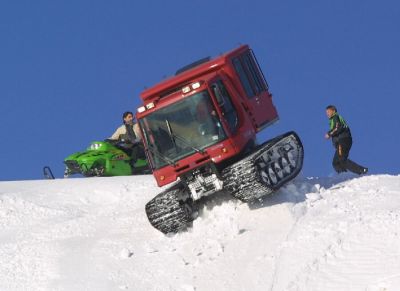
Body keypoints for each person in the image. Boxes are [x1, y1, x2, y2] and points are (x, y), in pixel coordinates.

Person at [324, 105, 368, 175]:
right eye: (326, 112)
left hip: (343, 140)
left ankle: (362, 170)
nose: (327, 114)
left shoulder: (335, 117)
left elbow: (338, 127)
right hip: (342, 142)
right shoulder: (333, 119)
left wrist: (329, 134)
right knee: (336, 162)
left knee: (342, 160)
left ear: (334, 111)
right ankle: (343, 176)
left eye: (329, 112)